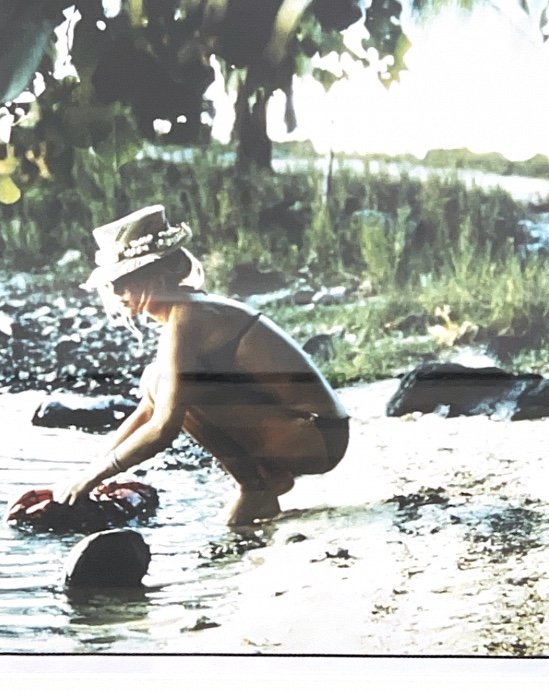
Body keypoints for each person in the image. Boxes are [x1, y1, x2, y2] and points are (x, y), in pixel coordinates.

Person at [57, 205, 350, 526]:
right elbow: (145, 411)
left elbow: (162, 428)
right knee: (158, 380)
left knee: (182, 391)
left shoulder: (187, 320)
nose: (115, 293)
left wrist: (95, 478)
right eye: (111, 284)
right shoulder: (187, 312)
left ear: (154, 277)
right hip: (311, 430)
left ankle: (255, 488)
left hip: (318, 437)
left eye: (122, 281)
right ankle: (264, 481)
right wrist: (90, 471)